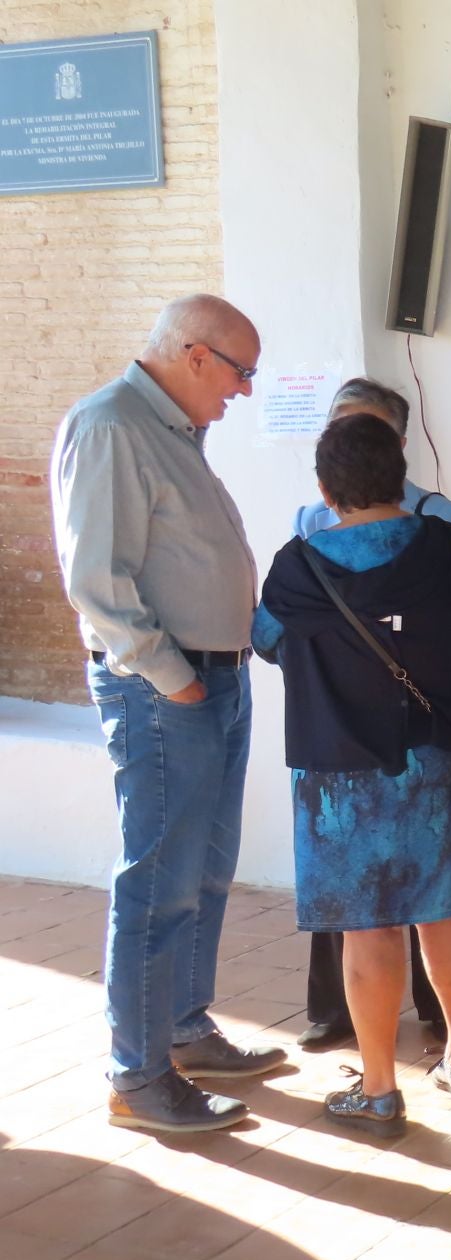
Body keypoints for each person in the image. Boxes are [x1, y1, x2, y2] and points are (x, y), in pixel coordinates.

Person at [49, 294, 285, 1134]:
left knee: (205, 873)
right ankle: (139, 1078)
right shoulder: (111, 424)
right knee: (159, 885)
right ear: (194, 354)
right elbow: (95, 581)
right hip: (165, 690)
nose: (245, 390)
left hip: (214, 680)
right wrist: (173, 677)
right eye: (240, 371)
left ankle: (184, 1029)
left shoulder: (172, 428)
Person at [253, 412, 451, 1136]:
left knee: (368, 929)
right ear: (400, 475)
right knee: (446, 909)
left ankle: (380, 1090)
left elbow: (265, 640)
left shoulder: (298, 565)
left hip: (339, 778)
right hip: (433, 758)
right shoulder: (444, 547)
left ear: (326, 489)